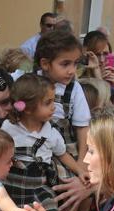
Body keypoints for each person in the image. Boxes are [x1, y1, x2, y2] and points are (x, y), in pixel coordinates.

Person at [1, 74, 90, 211]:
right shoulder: (8, 128)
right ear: (28, 108)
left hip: (39, 190)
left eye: (53, 101)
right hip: (10, 188)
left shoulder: (51, 134)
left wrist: (80, 171)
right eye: (48, 103)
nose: (54, 107)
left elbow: (63, 155)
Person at [34, 29, 92, 161]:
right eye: (65, 64)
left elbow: (82, 128)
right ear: (45, 64)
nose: (72, 71)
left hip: (66, 154)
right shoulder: (30, 84)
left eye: (75, 63)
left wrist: (82, 161)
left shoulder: (73, 89)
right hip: (35, 150)